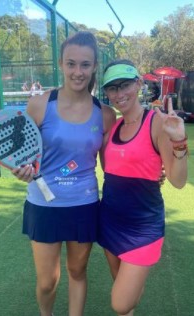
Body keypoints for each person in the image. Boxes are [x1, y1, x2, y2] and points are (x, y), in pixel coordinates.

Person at [10, 31, 116, 316]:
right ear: (61, 64)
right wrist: (21, 170)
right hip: (43, 205)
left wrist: (153, 173)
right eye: (71, 64)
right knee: (47, 282)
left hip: (84, 205)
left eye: (85, 64)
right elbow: (22, 154)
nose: (78, 72)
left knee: (77, 272)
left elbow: (113, 164)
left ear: (94, 66)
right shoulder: (40, 104)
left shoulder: (105, 114)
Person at [98, 59, 188, 316]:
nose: (119, 94)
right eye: (112, 88)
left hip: (143, 227)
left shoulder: (157, 122)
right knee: (122, 297)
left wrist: (179, 140)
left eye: (124, 85)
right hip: (110, 221)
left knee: (121, 302)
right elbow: (111, 171)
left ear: (138, 84)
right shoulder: (112, 127)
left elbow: (178, 181)